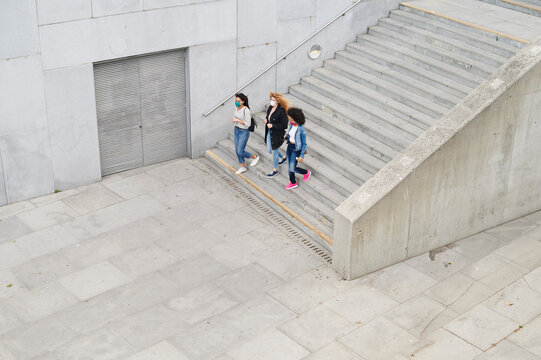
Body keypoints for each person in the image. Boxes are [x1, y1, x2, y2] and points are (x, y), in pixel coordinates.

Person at [284, 107, 310, 189]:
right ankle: (293, 182)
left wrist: (301, 155)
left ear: (297, 119)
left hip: (296, 149)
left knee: (292, 167)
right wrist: (286, 136)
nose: (290, 121)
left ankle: (306, 172)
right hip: (290, 147)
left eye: (292, 119)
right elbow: (290, 135)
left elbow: (304, 144)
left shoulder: (301, 129)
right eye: (290, 119)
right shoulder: (291, 126)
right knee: (289, 166)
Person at [232, 93, 259, 174]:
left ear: (243, 101)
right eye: (236, 100)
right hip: (236, 130)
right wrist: (234, 119)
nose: (236, 102)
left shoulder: (246, 110)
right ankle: (242, 167)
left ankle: (254, 157)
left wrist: (238, 120)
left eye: (239, 101)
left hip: (243, 132)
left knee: (240, 151)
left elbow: (248, 124)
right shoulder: (237, 108)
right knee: (237, 150)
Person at [264, 92, 289, 177]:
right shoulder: (270, 107)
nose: (272, 101)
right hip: (269, 132)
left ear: (278, 101)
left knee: (274, 151)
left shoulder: (281, 111)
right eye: (271, 99)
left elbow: (284, 125)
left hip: (277, 134)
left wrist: (273, 125)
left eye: (273, 100)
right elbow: (268, 116)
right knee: (269, 150)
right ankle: (283, 157)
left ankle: (275, 170)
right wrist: (266, 119)